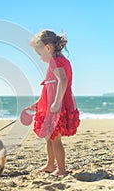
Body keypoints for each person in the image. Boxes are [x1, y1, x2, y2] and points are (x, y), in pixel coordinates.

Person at [28, 30, 80, 176]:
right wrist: (38, 103)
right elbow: (47, 88)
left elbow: (63, 80)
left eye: (40, 53)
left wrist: (57, 102)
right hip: (49, 105)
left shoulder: (56, 62)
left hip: (57, 105)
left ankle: (61, 170)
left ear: (48, 48)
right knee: (49, 137)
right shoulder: (56, 62)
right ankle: (50, 164)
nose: (40, 57)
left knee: (55, 139)